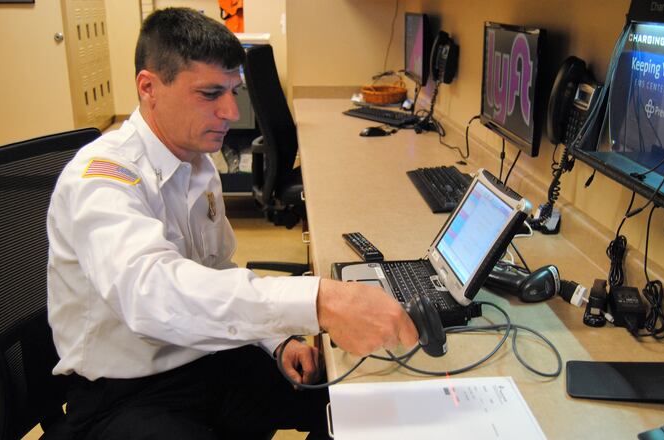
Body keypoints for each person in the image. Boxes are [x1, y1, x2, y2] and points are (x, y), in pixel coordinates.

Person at [46, 7, 418, 439]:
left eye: (233, 91)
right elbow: (150, 294)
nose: (229, 110)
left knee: (349, 400)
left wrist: (275, 339)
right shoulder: (101, 179)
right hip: (123, 393)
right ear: (149, 87)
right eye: (209, 94)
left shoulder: (197, 164)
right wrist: (318, 300)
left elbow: (215, 272)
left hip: (203, 356)